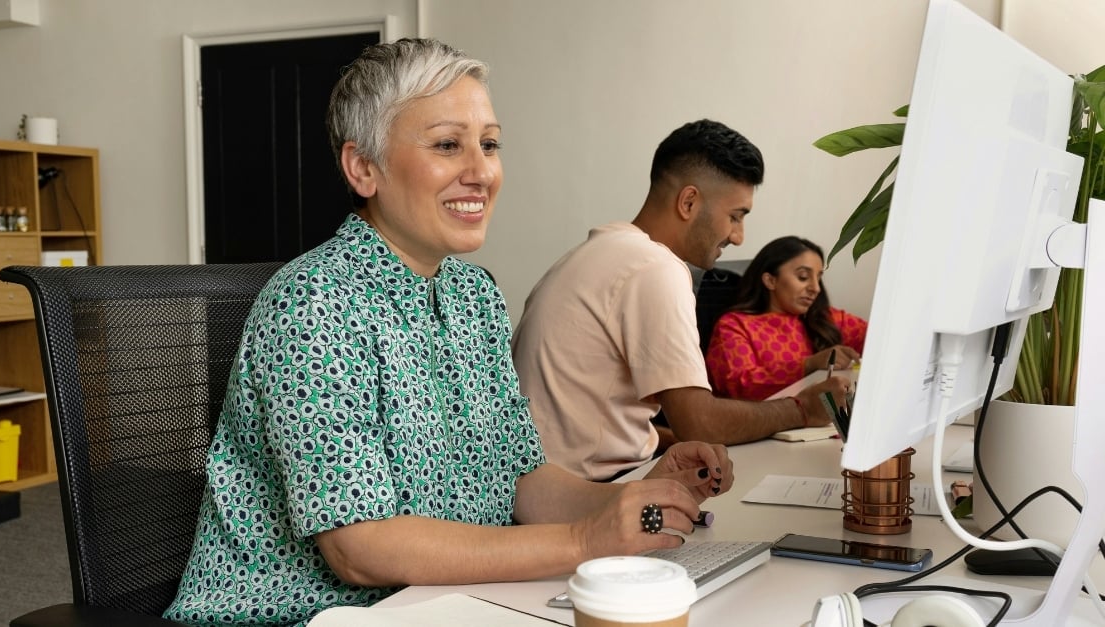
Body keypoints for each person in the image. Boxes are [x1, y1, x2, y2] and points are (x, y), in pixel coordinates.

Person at [163, 39, 735, 625]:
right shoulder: (312, 303)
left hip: (449, 601)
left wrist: (635, 498)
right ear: (363, 168)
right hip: (302, 616)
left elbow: (522, 478)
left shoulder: (474, 294)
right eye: (447, 145)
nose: (482, 172)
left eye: (489, 144)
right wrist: (586, 540)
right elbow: (360, 550)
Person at [511, 119, 850, 482]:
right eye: (734, 217)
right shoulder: (655, 267)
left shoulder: (590, 254)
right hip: (585, 496)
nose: (738, 236)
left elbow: (595, 422)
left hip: (544, 485)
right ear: (688, 201)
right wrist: (802, 409)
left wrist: (668, 442)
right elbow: (699, 423)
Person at [706, 236, 868, 401]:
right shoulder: (734, 325)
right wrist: (808, 365)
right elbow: (738, 384)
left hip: (826, 422)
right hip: (763, 424)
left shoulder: (826, 319)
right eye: (803, 277)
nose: (816, 288)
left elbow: (880, 338)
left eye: (818, 278)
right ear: (770, 280)